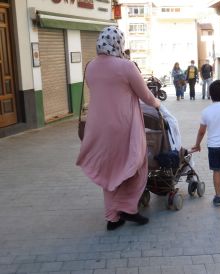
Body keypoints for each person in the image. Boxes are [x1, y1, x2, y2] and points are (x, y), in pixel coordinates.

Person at [76, 26, 160, 231]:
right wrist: (157, 104)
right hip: (124, 126)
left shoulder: (90, 67)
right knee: (137, 165)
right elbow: (145, 95)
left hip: (97, 128)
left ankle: (112, 217)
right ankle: (129, 208)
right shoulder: (127, 66)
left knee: (109, 170)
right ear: (119, 43)